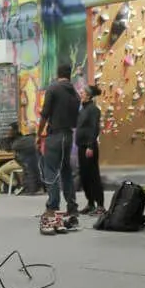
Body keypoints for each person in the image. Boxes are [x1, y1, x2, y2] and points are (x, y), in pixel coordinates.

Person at [38, 61, 83, 226]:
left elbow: (45, 114)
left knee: (50, 170)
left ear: (58, 74)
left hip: (55, 135)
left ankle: (52, 207)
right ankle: (72, 207)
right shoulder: (76, 94)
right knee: (66, 171)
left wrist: (38, 134)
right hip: (68, 136)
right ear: (69, 75)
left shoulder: (53, 89)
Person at [75, 84, 106, 215]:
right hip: (81, 146)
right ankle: (90, 203)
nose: (80, 94)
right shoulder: (83, 109)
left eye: (82, 92)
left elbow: (94, 128)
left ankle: (100, 205)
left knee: (93, 176)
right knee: (84, 176)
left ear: (88, 95)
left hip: (89, 147)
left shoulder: (93, 110)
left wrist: (90, 146)